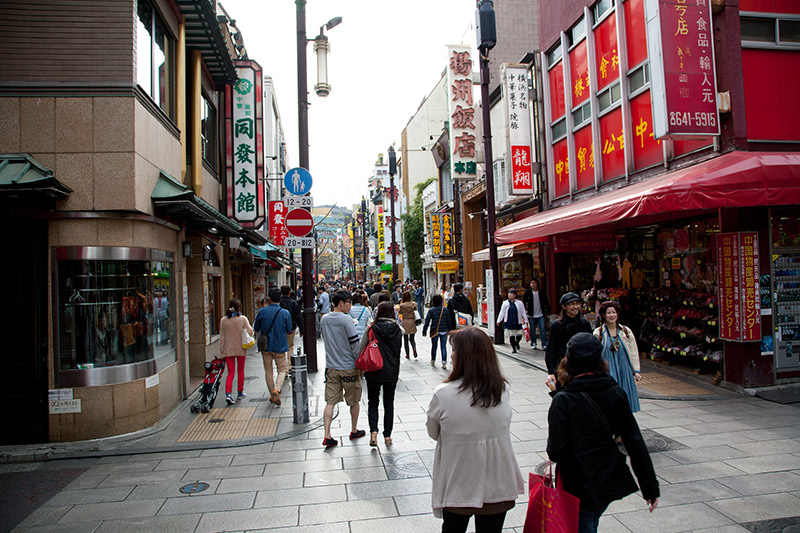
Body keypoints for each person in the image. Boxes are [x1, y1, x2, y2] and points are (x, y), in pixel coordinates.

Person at [547, 333, 659, 532]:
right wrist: (649, 487)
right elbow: (634, 441)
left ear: (569, 361)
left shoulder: (563, 400)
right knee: (591, 519)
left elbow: (556, 451)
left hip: (577, 482)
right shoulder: (614, 391)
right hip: (606, 477)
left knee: (584, 521)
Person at [426, 327, 525, 531]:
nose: (452, 354)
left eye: (453, 350)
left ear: (462, 357)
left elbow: (433, 432)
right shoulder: (502, 390)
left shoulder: (443, 394)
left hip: (458, 479)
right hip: (498, 479)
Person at [320, 290, 366, 447]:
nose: (350, 305)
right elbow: (355, 346)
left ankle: (327, 434)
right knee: (354, 400)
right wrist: (359, 364)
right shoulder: (346, 320)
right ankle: (353, 430)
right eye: (349, 302)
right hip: (348, 367)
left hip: (331, 367)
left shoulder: (324, 319)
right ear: (341, 303)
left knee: (330, 401)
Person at [359, 301, 402, 447]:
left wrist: (359, 368)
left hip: (374, 368)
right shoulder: (397, 329)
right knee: (389, 402)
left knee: (373, 402)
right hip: (391, 370)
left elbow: (361, 348)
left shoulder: (371, 328)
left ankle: (373, 432)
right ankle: (388, 436)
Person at [593, 300, 642, 413]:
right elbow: (594, 354)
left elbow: (633, 351)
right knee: (610, 397)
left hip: (624, 369)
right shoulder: (598, 333)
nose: (612, 315)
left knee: (625, 396)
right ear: (604, 315)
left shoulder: (625, 331)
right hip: (608, 369)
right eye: (608, 313)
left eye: (614, 312)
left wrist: (636, 370)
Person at [252, 289, 293, 405]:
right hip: (279, 344)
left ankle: (272, 394)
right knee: (281, 369)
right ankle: (277, 389)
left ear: (269, 298)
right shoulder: (285, 313)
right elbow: (289, 329)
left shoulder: (262, 312)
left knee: (268, 371)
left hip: (265, 346)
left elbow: (256, 327)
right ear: (280, 299)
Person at [545, 292, 592, 390]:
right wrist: (551, 372)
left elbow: (590, 346)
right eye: (571, 304)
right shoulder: (557, 325)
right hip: (564, 367)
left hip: (582, 367)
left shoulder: (584, 324)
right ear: (564, 306)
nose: (575, 307)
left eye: (577, 303)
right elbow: (551, 349)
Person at [219, 299, 255, 405]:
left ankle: (228, 393)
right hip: (241, 348)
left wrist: (222, 352)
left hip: (228, 349)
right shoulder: (242, 319)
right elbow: (250, 332)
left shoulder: (223, 320)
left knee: (230, 372)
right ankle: (240, 391)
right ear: (239, 308)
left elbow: (222, 338)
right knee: (241, 370)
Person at [423, 294, 454, 370]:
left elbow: (427, 321)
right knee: (443, 347)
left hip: (435, 331)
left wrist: (424, 330)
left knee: (434, 346)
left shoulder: (431, 310)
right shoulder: (445, 309)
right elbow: (448, 320)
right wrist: (450, 330)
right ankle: (444, 362)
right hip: (444, 330)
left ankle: (433, 360)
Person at [496, 289, 527, 354]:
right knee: (511, 335)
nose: (509, 295)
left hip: (517, 320)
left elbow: (523, 312)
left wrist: (526, 320)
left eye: (511, 294)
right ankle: (513, 348)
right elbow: (502, 312)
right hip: (509, 321)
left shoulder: (519, 303)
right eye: (509, 293)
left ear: (515, 295)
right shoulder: (505, 303)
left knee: (519, 334)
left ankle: (517, 342)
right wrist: (499, 320)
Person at [523, 279, 551, 350]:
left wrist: (548, 312)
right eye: (532, 283)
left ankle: (544, 344)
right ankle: (533, 342)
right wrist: (524, 311)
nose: (533, 284)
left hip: (540, 314)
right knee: (532, 330)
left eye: (534, 283)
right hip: (531, 314)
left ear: (537, 284)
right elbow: (524, 302)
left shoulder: (541, 293)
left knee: (542, 330)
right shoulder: (528, 293)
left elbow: (546, 302)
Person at [280, 285, 303, 356]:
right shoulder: (293, 303)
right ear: (290, 292)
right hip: (291, 327)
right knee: (290, 346)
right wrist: (301, 329)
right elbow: (299, 317)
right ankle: (290, 364)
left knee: (281, 346)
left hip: (280, 327)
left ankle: (283, 362)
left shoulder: (279, 303)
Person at [399, 290, 418, 359]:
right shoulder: (414, 304)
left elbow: (400, 312)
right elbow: (416, 311)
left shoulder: (402, 305)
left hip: (405, 322)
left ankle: (407, 354)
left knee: (405, 340)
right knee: (412, 339)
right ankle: (414, 349)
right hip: (412, 322)